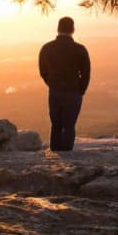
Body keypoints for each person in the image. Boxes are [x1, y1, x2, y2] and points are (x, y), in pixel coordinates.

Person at [38, 16, 90, 152]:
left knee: (56, 125)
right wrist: (80, 90)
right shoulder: (80, 49)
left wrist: (51, 84)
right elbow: (86, 74)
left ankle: (55, 155)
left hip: (54, 91)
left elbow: (43, 71)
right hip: (73, 92)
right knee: (69, 125)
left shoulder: (47, 48)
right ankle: (67, 155)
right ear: (73, 30)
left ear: (58, 29)